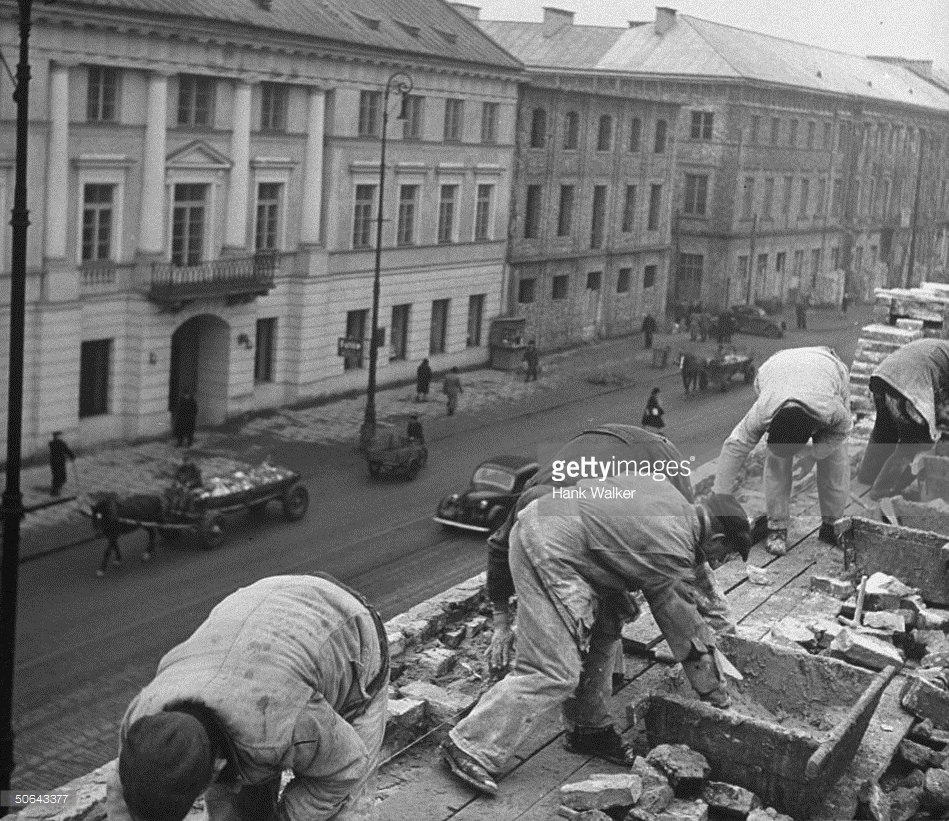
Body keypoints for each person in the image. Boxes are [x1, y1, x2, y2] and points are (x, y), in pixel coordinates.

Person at [441, 427, 750, 797]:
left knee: (610, 618)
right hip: (546, 546)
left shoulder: (670, 498)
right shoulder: (671, 547)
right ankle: (470, 744)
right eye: (724, 554)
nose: (719, 561)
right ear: (715, 540)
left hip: (575, 543)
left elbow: (614, 530)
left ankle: (587, 728)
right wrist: (716, 694)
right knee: (554, 670)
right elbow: (680, 624)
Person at [106, 574, 389, 821]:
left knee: (346, 810)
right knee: (234, 811)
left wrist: (286, 817)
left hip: (346, 628)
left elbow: (346, 768)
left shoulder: (283, 724)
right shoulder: (143, 722)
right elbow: (121, 791)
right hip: (261, 616)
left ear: (217, 766)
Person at [713, 346, 852, 557]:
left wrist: (814, 455)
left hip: (828, 367)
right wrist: (719, 495)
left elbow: (842, 432)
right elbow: (734, 445)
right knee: (777, 461)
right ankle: (777, 527)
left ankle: (831, 526)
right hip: (775, 368)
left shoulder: (832, 410)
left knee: (835, 457)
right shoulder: (763, 411)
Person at [856, 338, 949, 500]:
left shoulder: (941, 348)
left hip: (883, 376)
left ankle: (867, 476)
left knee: (885, 429)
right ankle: (881, 492)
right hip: (908, 383)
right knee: (915, 442)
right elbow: (942, 406)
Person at [49, 431, 76, 497]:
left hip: (53, 462)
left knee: (56, 475)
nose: (62, 437)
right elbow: (67, 450)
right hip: (60, 462)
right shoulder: (61, 443)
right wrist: (72, 456)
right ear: (58, 436)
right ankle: (55, 491)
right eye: (61, 436)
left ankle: (56, 488)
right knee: (60, 475)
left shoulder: (51, 443)